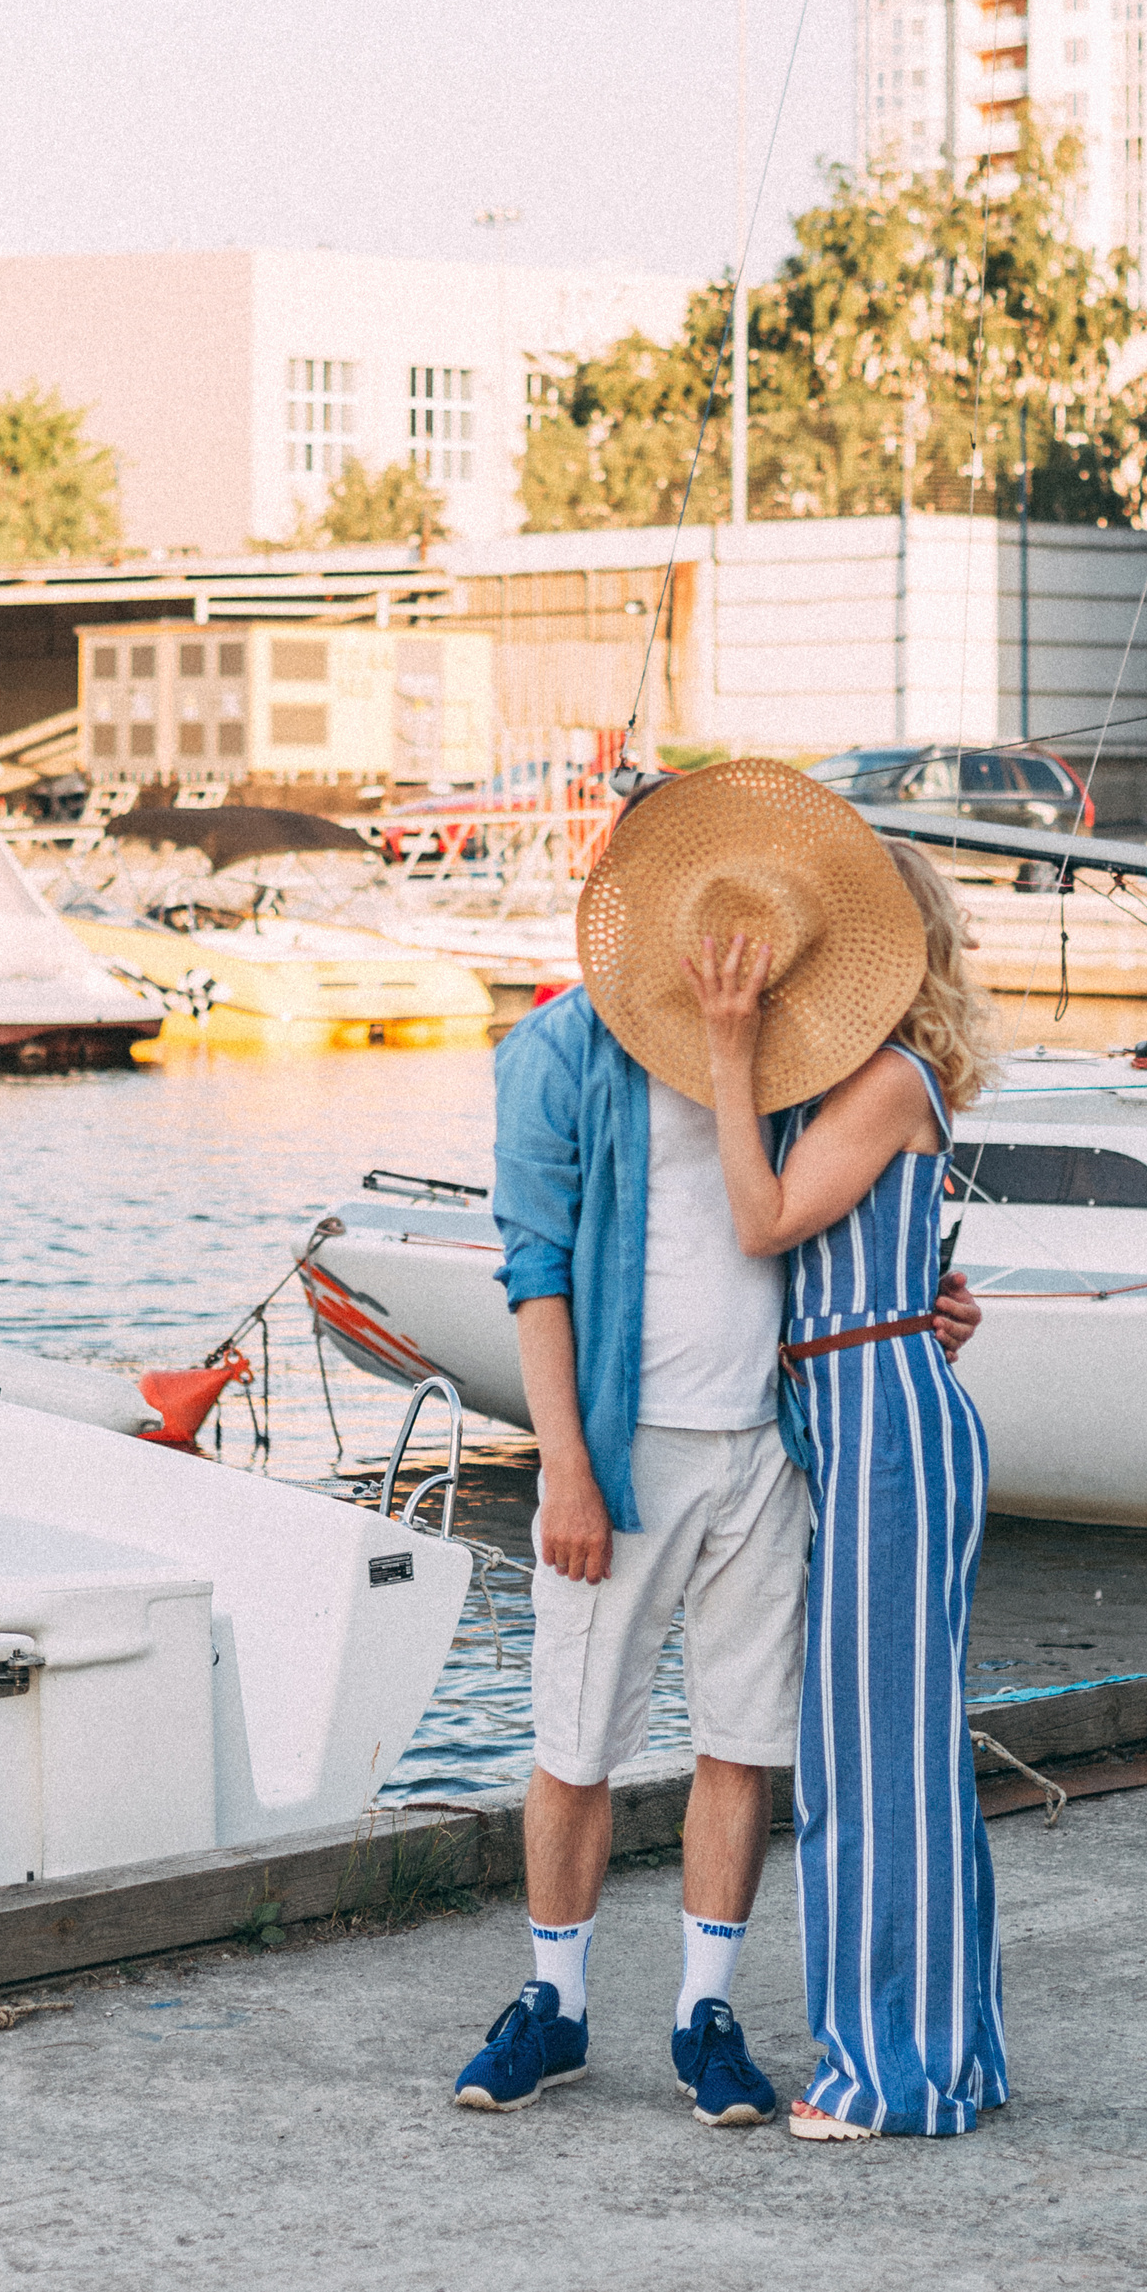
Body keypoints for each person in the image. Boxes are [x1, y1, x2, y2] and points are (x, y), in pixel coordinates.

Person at [454, 761, 979, 2129]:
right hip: (626, 1456)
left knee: (742, 1745)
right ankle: (553, 2006)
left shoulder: (794, 1044)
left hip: (778, 1444)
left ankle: (706, 2014)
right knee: (575, 1744)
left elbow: (832, 1216)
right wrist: (564, 1464)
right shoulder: (561, 1051)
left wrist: (918, 1300)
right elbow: (535, 1273)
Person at [684, 830, 1007, 2141]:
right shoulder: (853, 1087)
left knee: (875, 1765)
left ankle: (889, 2072)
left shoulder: (887, 1078)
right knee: (892, 1753)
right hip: (864, 1401)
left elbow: (764, 1227)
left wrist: (723, 1041)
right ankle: (944, 2055)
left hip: (884, 1420)